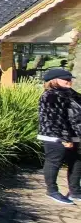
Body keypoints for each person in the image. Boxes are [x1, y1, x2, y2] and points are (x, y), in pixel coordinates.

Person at [38, 68, 81, 204]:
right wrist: (65, 138)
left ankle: (75, 191)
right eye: (65, 79)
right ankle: (52, 191)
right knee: (54, 161)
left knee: (77, 162)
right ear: (54, 80)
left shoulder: (72, 94)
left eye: (69, 79)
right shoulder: (51, 95)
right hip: (55, 136)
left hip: (74, 134)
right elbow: (55, 119)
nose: (69, 81)